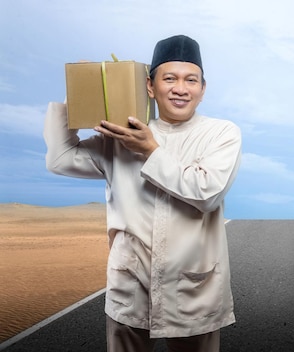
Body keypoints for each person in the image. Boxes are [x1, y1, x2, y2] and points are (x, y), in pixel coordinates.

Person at [44, 35, 242, 352]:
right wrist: (79, 93)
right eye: (170, 79)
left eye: (191, 80)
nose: (180, 88)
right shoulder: (119, 136)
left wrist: (149, 150)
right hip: (130, 284)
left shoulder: (220, 133)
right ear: (150, 86)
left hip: (193, 286)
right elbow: (59, 159)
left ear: (202, 90)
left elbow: (206, 193)